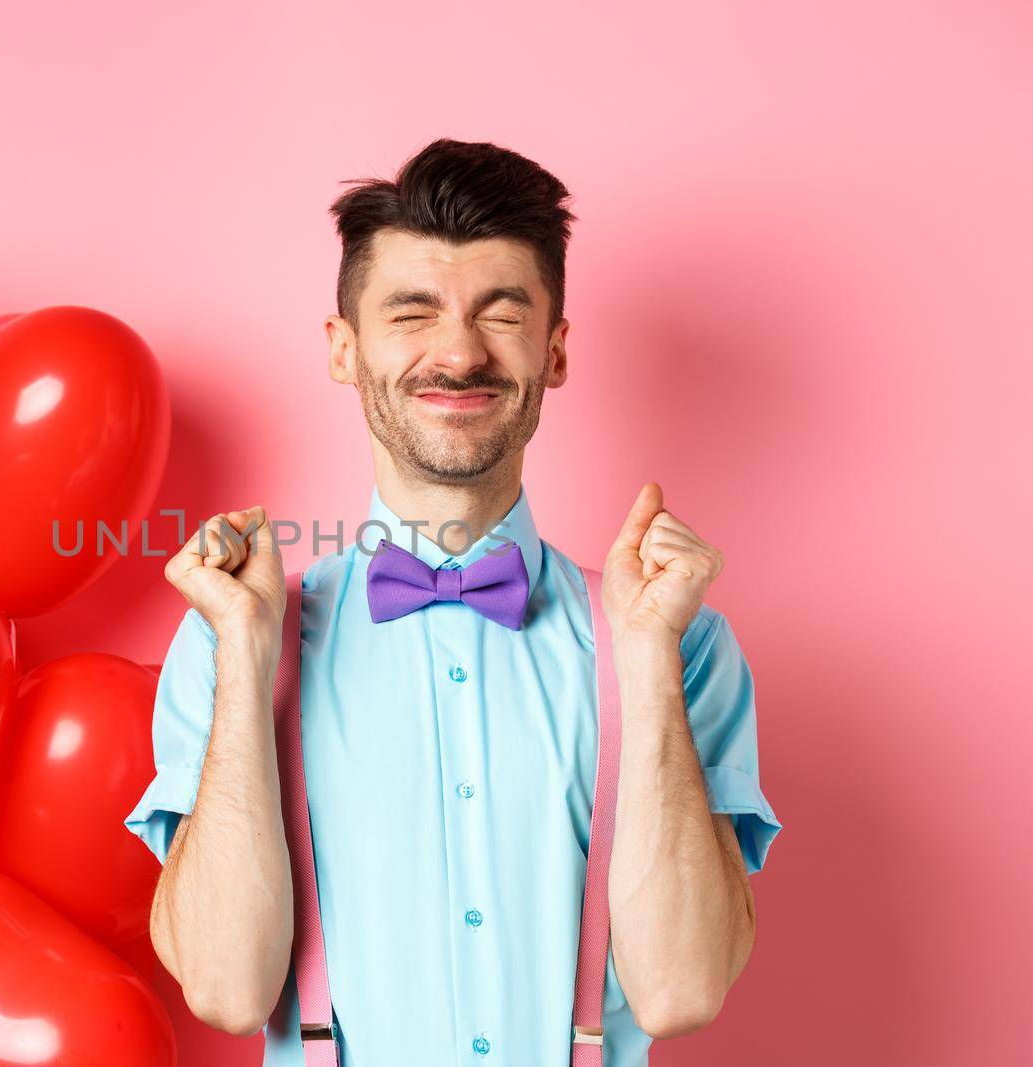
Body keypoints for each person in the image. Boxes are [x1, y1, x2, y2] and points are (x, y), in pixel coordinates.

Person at [122, 137, 781, 1066]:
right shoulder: (233, 644)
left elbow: (679, 990)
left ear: (553, 352)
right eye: (412, 312)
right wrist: (242, 660)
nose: (460, 351)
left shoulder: (681, 642)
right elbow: (229, 988)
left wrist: (648, 663)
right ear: (344, 351)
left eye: (500, 314)